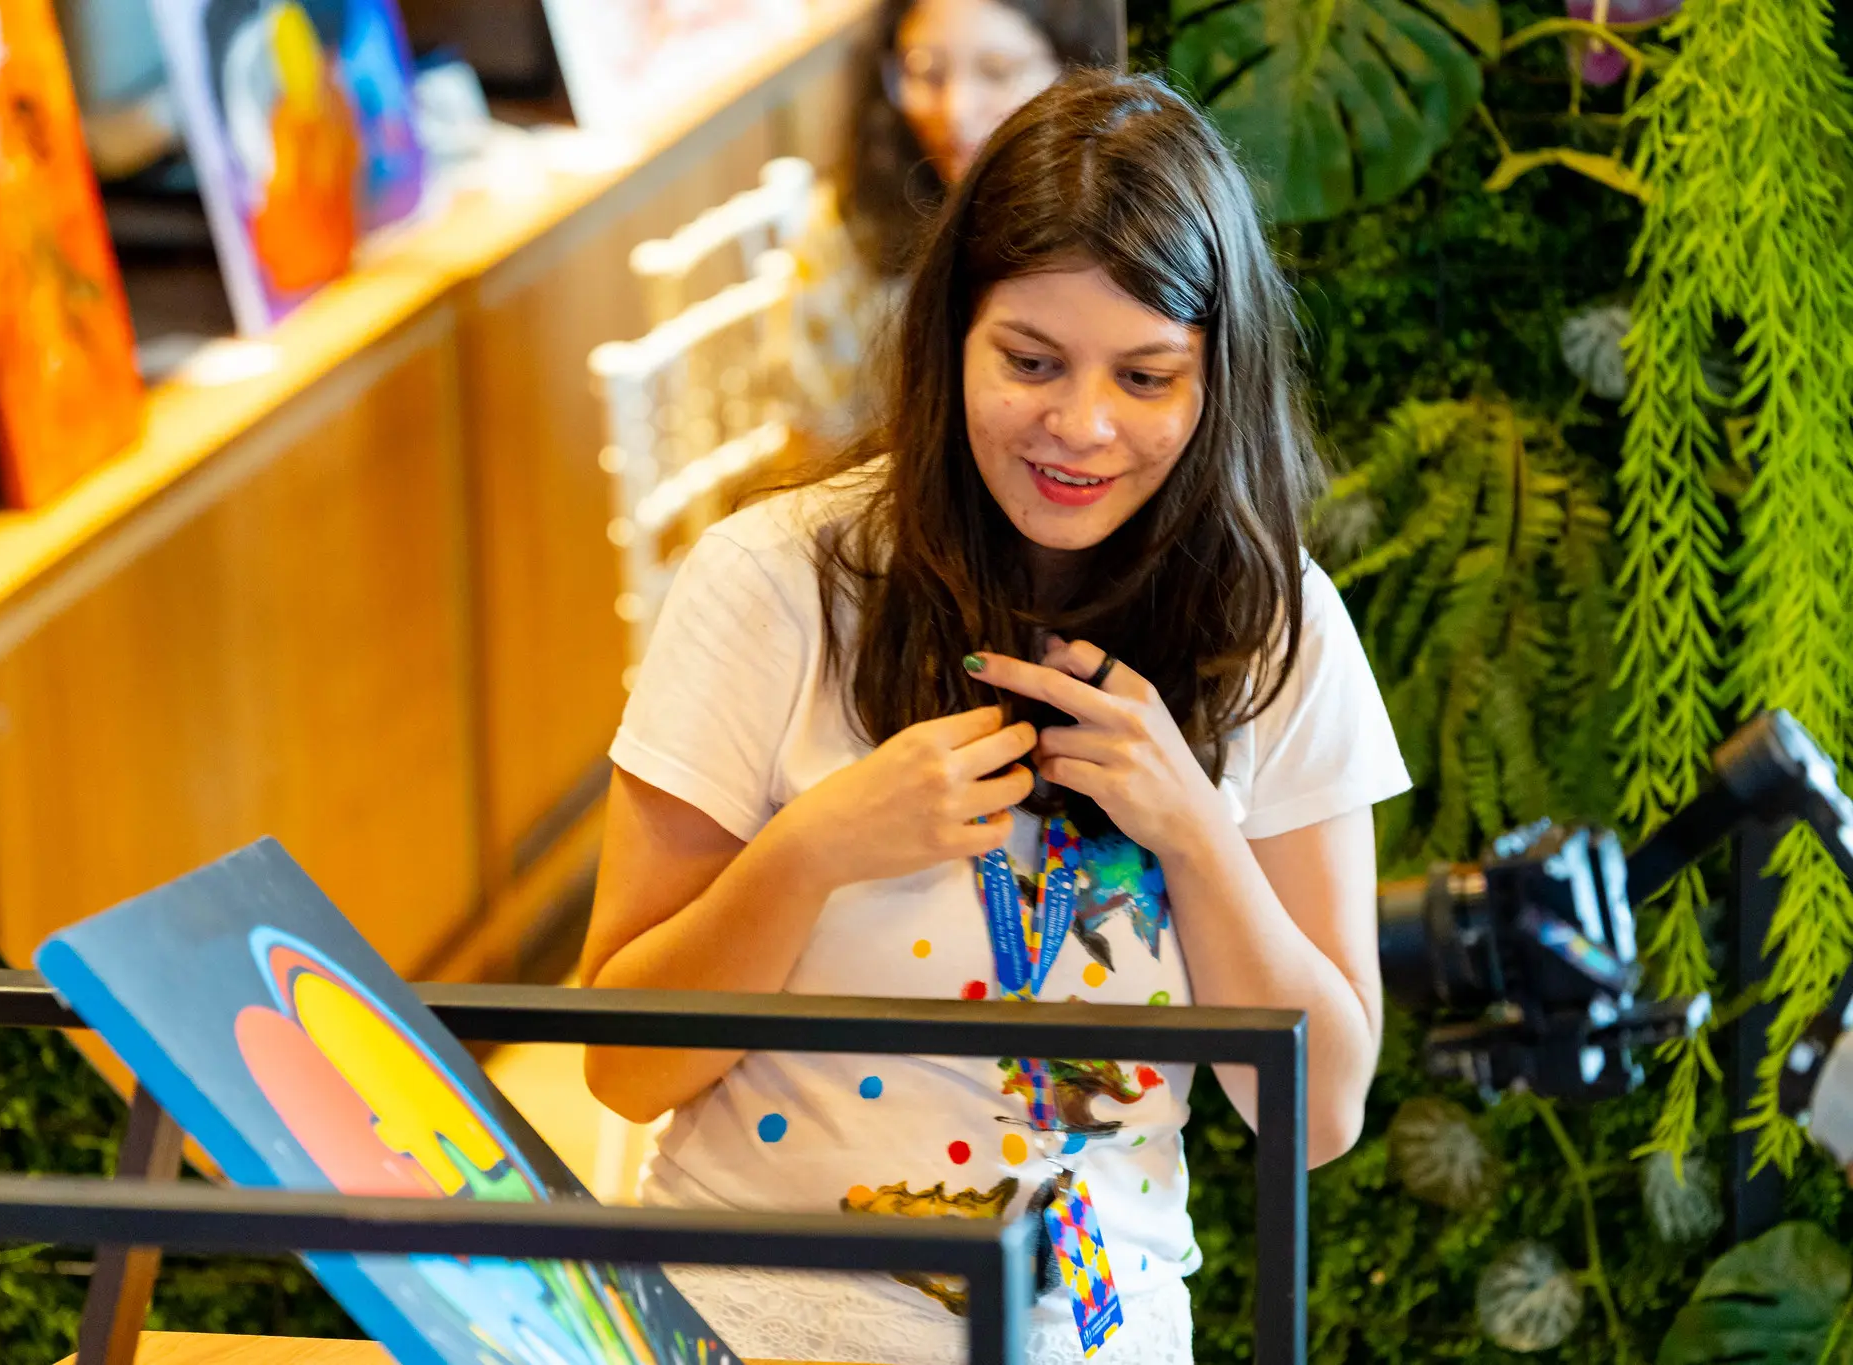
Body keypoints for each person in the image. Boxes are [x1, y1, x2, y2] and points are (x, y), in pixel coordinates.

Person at [581, 69, 1410, 1365]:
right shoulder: (772, 582)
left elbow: (1321, 1114)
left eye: (1146, 376)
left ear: (1216, 380)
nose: (1081, 426)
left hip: (1088, 1329)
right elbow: (622, 1067)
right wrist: (812, 850)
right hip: (747, 1310)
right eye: (1030, 362)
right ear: (948, 339)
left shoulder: (1276, 627)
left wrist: (1195, 834)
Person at [790, 0, 1118, 442]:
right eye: (927, 73)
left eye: (998, 72)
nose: (957, 111)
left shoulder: (1120, 217)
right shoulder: (843, 230)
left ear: (1074, 68)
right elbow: (816, 434)